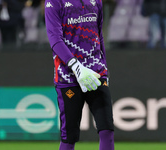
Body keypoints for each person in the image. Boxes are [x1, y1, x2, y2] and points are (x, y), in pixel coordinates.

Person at [45, 0, 114, 150]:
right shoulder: (54, 2)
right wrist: (76, 67)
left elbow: (99, 34)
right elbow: (54, 39)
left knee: (107, 129)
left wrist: (105, 68)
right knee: (69, 138)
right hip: (68, 77)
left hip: (96, 74)